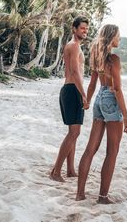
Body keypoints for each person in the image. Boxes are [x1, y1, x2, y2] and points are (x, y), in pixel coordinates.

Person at [76, 24, 127, 204]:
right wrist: (126, 117)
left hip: (99, 98)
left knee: (90, 149)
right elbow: (117, 89)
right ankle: (102, 197)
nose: (120, 38)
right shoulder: (114, 59)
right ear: (111, 37)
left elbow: (92, 84)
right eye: (118, 35)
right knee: (112, 152)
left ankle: (80, 194)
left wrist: (88, 100)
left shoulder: (97, 56)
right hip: (110, 99)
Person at [50, 16, 89, 182]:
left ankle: (70, 170)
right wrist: (84, 95)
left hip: (71, 89)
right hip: (72, 90)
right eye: (82, 28)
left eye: (86, 29)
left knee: (73, 133)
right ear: (74, 29)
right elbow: (74, 72)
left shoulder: (76, 46)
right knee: (74, 132)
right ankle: (55, 171)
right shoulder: (73, 46)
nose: (85, 31)